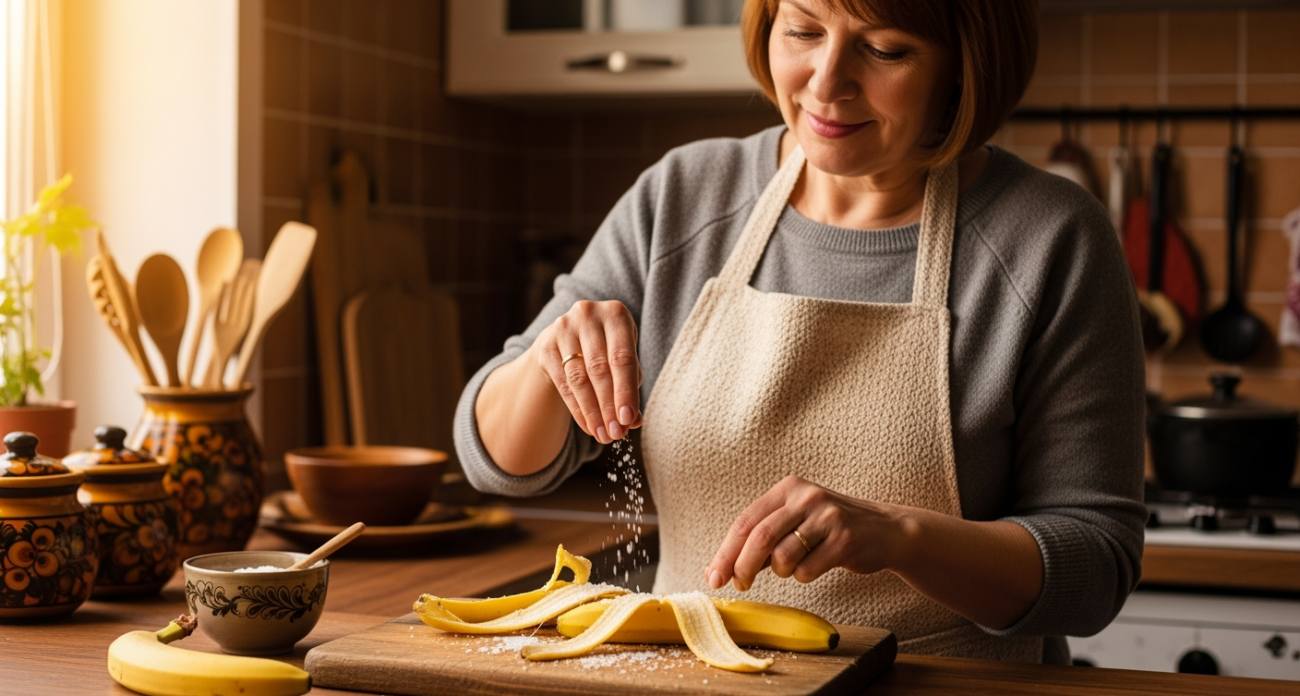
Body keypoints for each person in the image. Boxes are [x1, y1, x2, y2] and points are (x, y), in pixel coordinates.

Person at [455, 0, 1145, 664]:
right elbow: (498, 461)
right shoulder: (685, 195)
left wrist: (902, 538)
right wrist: (552, 363)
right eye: (803, 30)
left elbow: (1095, 566)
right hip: (692, 687)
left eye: (883, 49)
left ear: (965, 65)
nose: (826, 81)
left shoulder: (1052, 239)